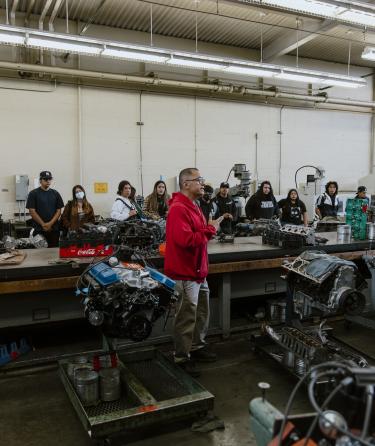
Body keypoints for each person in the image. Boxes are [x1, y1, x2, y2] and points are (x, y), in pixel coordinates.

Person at [165, 167, 222, 377]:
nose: (203, 183)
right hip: (185, 272)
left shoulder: (194, 205)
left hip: (198, 270)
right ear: (186, 183)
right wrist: (211, 229)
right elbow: (186, 240)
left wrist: (208, 228)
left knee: (201, 312)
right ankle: (181, 357)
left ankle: (197, 346)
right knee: (186, 316)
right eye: (199, 180)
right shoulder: (179, 208)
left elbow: (199, 233)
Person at [26, 170, 64, 247]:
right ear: (40, 180)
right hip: (39, 229)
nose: (48, 181)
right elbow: (32, 211)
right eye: (45, 179)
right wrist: (43, 224)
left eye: (49, 179)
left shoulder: (55, 193)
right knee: (39, 253)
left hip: (53, 229)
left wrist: (50, 224)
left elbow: (59, 210)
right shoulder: (33, 193)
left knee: (53, 252)